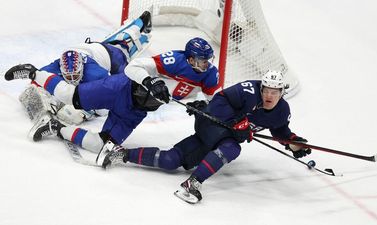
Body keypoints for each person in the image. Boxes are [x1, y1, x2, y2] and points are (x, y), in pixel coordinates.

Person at [96, 70, 312, 203]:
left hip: (220, 137)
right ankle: (192, 184)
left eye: (274, 92)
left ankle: (119, 153)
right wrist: (237, 123)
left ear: (281, 93)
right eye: (266, 90)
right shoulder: (248, 90)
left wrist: (293, 143)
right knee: (232, 148)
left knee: (171, 160)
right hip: (211, 121)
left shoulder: (282, 111)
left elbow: (280, 131)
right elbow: (219, 99)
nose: (268, 95)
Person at [4, 37, 220, 155]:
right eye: (202, 60)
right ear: (190, 59)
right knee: (72, 96)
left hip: (137, 110)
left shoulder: (210, 75)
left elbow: (215, 102)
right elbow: (132, 67)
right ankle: (33, 71)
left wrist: (201, 106)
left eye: (207, 60)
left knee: (101, 144)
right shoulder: (175, 60)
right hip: (121, 87)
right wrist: (150, 80)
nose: (206, 64)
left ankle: (54, 128)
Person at [15, 11, 153, 125]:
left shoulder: (96, 73)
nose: (72, 80)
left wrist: (87, 111)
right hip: (91, 48)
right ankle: (142, 21)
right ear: (61, 68)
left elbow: (110, 97)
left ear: (82, 67)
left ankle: (142, 25)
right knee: (120, 40)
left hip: (113, 57)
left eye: (75, 76)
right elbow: (38, 78)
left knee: (125, 49)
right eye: (68, 76)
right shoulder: (57, 65)